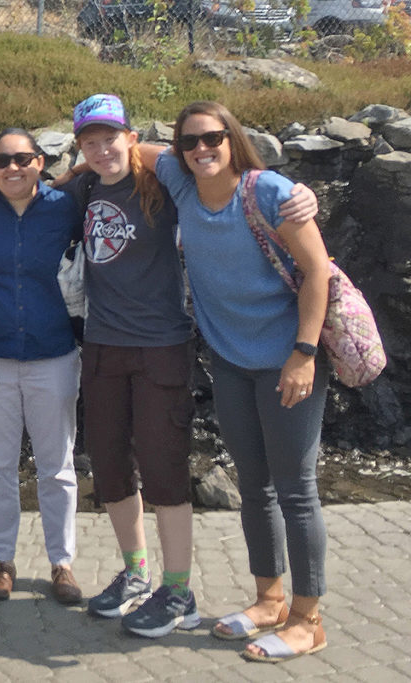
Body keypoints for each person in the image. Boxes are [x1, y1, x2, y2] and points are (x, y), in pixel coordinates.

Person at [139, 101, 331, 662]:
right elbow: (128, 148)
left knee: (296, 491)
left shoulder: (269, 191)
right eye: (189, 142)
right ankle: (268, 601)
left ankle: (308, 619)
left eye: (213, 138)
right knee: (255, 485)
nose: (201, 149)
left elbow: (317, 271)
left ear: (232, 139)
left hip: (287, 361)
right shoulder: (179, 181)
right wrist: (70, 171)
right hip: (230, 362)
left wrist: (304, 353)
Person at [57, 93, 200, 637]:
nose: (101, 148)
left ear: (131, 138)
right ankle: (137, 573)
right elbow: (51, 186)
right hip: (102, 345)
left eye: (110, 137)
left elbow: (198, 159)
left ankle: (179, 591)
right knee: (111, 465)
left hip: (161, 344)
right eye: (90, 141)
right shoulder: (86, 186)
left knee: (165, 468)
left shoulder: (160, 182)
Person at [0, 128, 85, 605]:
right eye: (3, 160)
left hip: (54, 353)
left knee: (57, 467)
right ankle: (3, 561)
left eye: (23, 159)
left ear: (40, 163)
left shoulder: (63, 208)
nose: (13, 168)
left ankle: (62, 563)